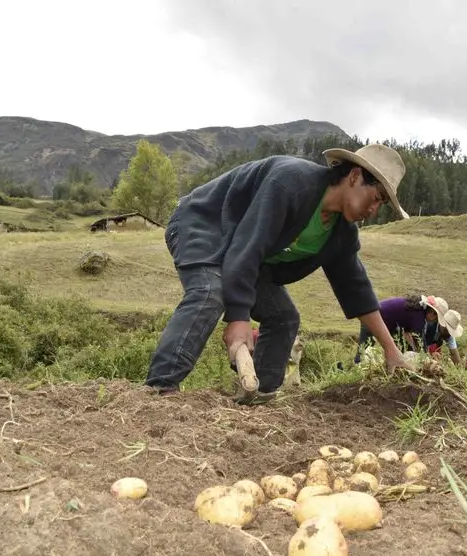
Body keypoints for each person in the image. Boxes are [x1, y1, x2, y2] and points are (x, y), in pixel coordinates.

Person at [144, 143, 415, 403]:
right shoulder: (291, 182)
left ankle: (258, 396)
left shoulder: (340, 232)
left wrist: (391, 351)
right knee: (210, 292)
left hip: (244, 254)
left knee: (284, 317)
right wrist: (239, 318)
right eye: (376, 198)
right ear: (355, 176)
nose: (374, 209)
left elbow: (356, 290)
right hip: (204, 225)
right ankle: (160, 390)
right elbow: (249, 244)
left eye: (381, 205)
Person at [353, 294, 432, 364]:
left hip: (377, 317)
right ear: (432, 313)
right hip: (373, 318)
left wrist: (412, 350)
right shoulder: (418, 315)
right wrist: (426, 357)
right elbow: (419, 338)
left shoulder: (414, 310)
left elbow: (407, 335)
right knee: (362, 354)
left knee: (397, 350)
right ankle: (353, 373)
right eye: (436, 318)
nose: (433, 321)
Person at [422, 296, 464, 366]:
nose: (449, 334)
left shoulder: (448, 335)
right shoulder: (428, 323)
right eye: (448, 330)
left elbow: (454, 354)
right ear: (443, 325)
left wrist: (460, 371)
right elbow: (419, 344)